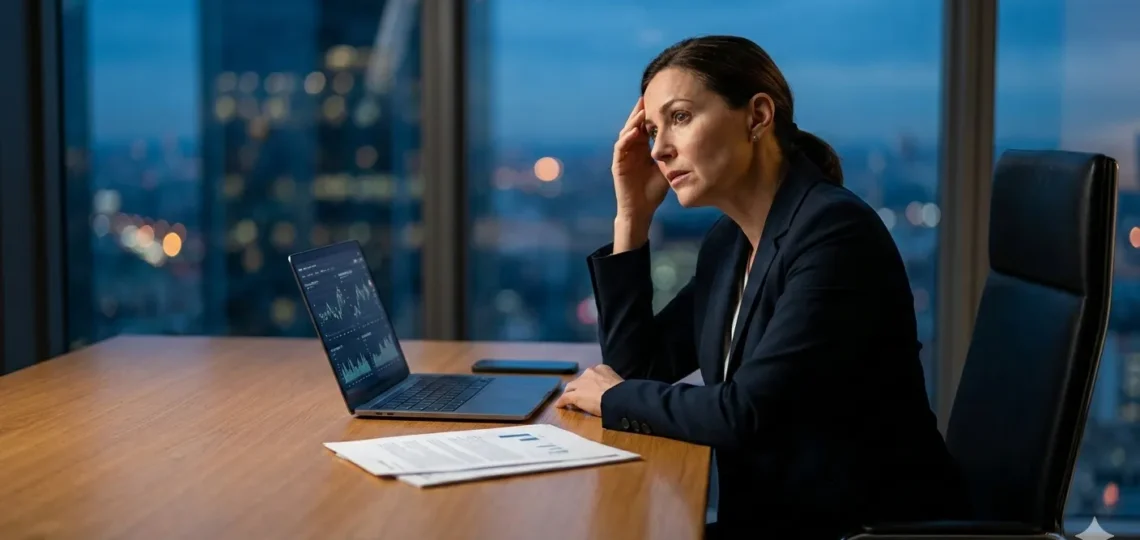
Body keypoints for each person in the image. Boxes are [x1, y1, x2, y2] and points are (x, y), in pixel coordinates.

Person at [553, 35, 967, 538]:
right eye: (652, 129)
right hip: (775, 521)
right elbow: (638, 369)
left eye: (679, 118)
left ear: (757, 116)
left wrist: (614, 398)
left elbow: (744, 413)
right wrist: (632, 218)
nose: (659, 148)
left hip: (862, 529)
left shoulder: (834, 234)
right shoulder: (729, 242)